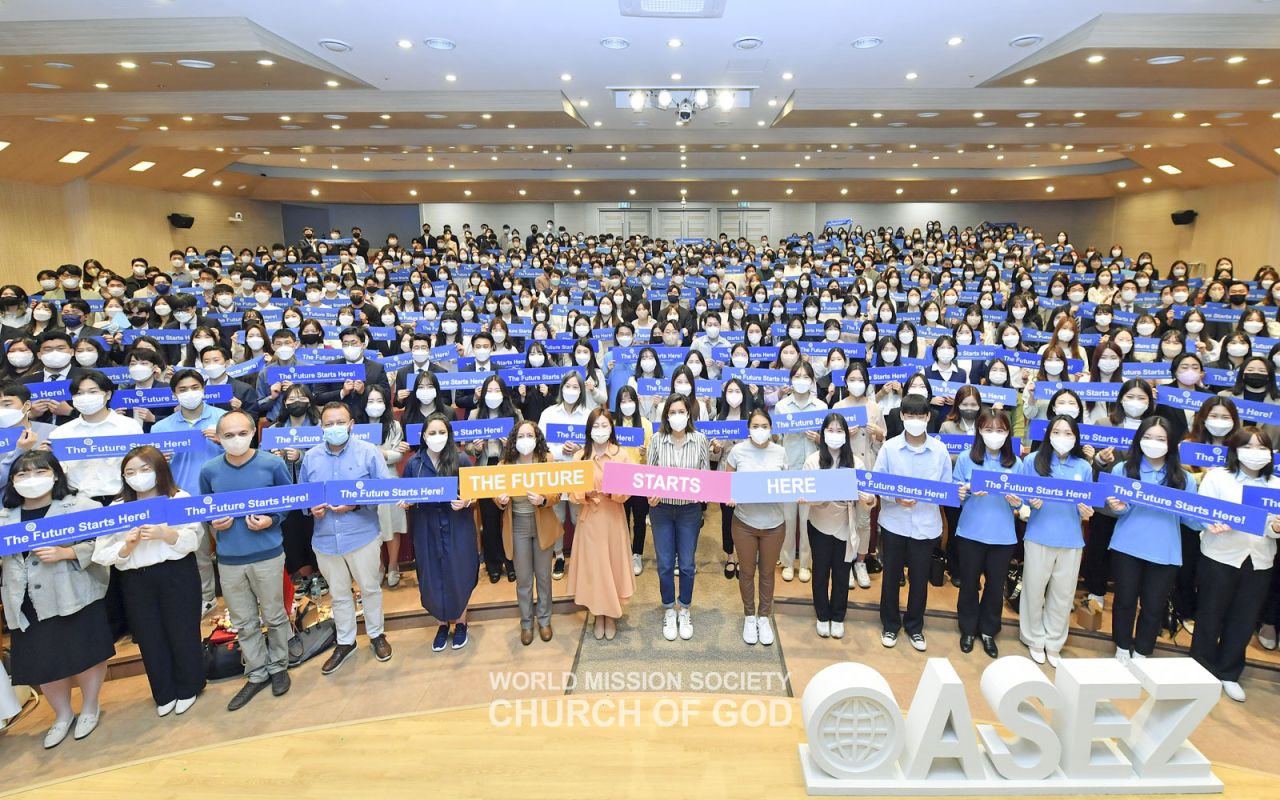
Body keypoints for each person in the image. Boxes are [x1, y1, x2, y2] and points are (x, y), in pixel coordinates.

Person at [0, 451, 112, 748]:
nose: (31, 480)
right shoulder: (3, 515)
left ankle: (90, 706)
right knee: (42, 660)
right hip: (23, 599)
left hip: (72, 593)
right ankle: (62, 715)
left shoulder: (81, 506)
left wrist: (68, 552)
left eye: (40, 472)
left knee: (84, 652)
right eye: (23, 475)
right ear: (12, 482)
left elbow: (104, 545)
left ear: (56, 475)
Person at [92, 447, 205, 716]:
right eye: (130, 472)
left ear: (159, 470)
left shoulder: (178, 498)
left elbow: (193, 540)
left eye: (144, 469)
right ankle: (163, 692)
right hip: (135, 579)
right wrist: (125, 547)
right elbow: (101, 553)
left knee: (182, 630)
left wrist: (166, 534)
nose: (137, 477)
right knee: (149, 636)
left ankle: (189, 686)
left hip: (176, 573)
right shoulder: (117, 508)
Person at [199, 411, 294, 710]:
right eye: (228, 435)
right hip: (229, 559)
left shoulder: (272, 463)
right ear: (218, 437)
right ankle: (256, 673)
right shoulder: (209, 470)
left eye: (242, 433)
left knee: (276, 615)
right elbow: (204, 509)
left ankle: (279, 666)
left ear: (254, 432)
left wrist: (272, 519)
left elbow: (290, 499)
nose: (236, 439)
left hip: (267, 554)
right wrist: (215, 523)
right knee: (243, 622)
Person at [299, 402, 393, 673]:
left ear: (351, 424)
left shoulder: (368, 452)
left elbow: (385, 488)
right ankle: (346, 641)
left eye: (340, 422)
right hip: (326, 539)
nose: (335, 428)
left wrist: (356, 503)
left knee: (370, 588)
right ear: (321, 428)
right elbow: (305, 495)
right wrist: (311, 508)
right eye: (329, 424)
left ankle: (376, 635)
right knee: (339, 595)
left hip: (361, 535)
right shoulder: (311, 457)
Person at [1191, 427, 1280, 702]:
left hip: (1259, 561)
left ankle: (1229, 673)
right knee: (1210, 615)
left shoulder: (1276, 485)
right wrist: (1211, 523)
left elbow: (1274, 527)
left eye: (1262, 448)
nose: (1256, 453)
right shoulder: (1218, 477)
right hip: (1220, 556)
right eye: (1249, 446)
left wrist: (1276, 527)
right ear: (1236, 449)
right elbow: (1201, 513)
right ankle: (1199, 671)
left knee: (1243, 619)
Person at [1103, 415, 1202, 663]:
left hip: (1165, 551)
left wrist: (1211, 521)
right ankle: (1122, 645)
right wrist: (1116, 506)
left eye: (1160, 438)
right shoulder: (1123, 470)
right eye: (1148, 437)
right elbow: (1119, 511)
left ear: (1171, 443)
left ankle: (1143, 649)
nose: (1153, 442)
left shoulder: (1184, 478)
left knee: (1154, 605)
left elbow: (1189, 520)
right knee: (1124, 600)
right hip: (1127, 546)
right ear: (1138, 440)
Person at [872, 393, 953, 652]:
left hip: (926, 525)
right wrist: (894, 497)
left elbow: (946, 487)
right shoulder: (890, 447)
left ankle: (915, 627)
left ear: (928, 417)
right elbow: (877, 481)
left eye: (920, 416)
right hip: (894, 523)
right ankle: (890, 625)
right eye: (910, 416)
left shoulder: (939, 450)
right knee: (891, 576)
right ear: (902, 417)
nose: (915, 420)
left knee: (919, 579)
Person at [1017, 416, 1094, 668]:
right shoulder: (1032, 461)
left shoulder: (1083, 466)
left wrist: (1087, 511)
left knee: (1063, 594)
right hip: (1039, 535)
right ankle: (1033, 637)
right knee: (1034, 590)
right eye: (1057, 431)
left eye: (1068, 433)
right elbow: (1021, 499)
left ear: (1076, 437)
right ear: (1048, 434)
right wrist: (1029, 504)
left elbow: (1089, 502)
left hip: (1071, 539)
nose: (1062, 437)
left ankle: (1054, 641)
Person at [149, 368, 225, 612]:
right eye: (182, 390)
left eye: (194, 388)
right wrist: (162, 459)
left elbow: (244, 453)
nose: (189, 393)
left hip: (221, 496)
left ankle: (240, 601)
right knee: (199, 556)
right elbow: (155, 471)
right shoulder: (161, 428)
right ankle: (207, 600)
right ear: (174, 394)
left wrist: (224, 441)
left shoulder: (223, 418)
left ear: (203, 389)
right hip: (184, 500)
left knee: (231, 552)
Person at [403, 414, 478, 652]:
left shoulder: (461, 459)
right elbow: (407, 495)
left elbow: (474, 494)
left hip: (457, 525)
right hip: (426, 527)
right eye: (432, 433)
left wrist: (466, 502)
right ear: (423, 436)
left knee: (460, 572)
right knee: (431, 575)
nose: (437, 437)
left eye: (442, 432)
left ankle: (462, 623)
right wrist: (406, 502)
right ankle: (442, 625)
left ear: (449, 434)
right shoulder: (414, 464)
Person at [951, 409, 1023, 658]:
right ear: (979, 431)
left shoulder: (1017, 463)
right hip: (971, 532)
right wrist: (964, 492)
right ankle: (968, 628)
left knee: (995, 587)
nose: (995, 434)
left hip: (1002, 536)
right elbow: (955, 494)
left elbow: (1021, 503)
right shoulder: (965, 458)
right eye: (989, 429)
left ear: (1008, 433)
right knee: (970, 583)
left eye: (1001, 430)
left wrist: (1016, 502)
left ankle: (989, 631)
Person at [801, 412, 876, 639]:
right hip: (819, 525)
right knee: (821, 572)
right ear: (823, 434)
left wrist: (868, 500)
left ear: (847, 434)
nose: (834, 435)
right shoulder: (813, 461)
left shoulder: (857, 463)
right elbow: (805, 496)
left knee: (842, 574)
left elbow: (869, 498)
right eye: (830, 431)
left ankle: (838, 616)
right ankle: (822, 615)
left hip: (846, 526)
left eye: (839, 431)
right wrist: (821, 498)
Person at [721, 408, 789, 646]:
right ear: (748, 429)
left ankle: (764, 617)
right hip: (744, 523)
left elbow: (788, 484)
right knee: (747, 572)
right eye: (755, 426)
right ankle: (750, 616)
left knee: (768, 573)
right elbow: (726, 484)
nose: (760, 431)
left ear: (771, 428)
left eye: (764, 426)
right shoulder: (737, 451)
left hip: (774, 524)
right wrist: (730, 495)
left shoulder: (780, 452)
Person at [646, 393, 711, 642]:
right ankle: (668, 609)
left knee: (686, 564)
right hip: (661, 510)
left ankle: (684, 609)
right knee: (664, 565)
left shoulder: (699, 440)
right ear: (665, 416)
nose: (676, 416)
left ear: (689, 414)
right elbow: (649, 475)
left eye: (681, 412)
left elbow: (705, 476)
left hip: (689, 511)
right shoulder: (656, 440)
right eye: (672, 413)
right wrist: (650, 495)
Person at [567, 408, 635, 640]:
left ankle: (611, 613)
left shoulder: (621, 455)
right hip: (590, 520)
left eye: (605, 426)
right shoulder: (579, 457)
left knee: (612, 565)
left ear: (612, 429)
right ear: (589, 430)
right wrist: (584, 493)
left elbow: (627, 492)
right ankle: (598, 614)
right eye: (596, 426)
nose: (600, 431)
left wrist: (613, 492)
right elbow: (572, 492)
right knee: (595, 568)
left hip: (613, 518)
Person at [495, 421, 562, 645]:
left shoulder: (547, 460)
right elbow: (495, 495)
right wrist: (501, 500)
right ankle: (526, 623)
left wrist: (543, 499)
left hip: (542, 522)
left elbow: (557, 493)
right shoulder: (504, 465)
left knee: (543, 576)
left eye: (529, 435)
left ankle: (544, 620)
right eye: (521, 435)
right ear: (514, 440)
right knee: (523, 579)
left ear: (537, 438)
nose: (525, 439)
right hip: (517, 526)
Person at [774, 361, 827, 582]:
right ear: (791, 380)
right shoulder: (782, 407)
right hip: (788, 468)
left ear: (812, 380)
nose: (801, 380)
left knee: (807, 520)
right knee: (788, 519)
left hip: (812, 470)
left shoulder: (821, 407)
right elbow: (776, 439)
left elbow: (830, 439)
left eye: (806, 377)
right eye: (797, 376)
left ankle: (805, 563)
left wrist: (818, 438)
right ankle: (787, 562)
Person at [537, 370, 591, 579]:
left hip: (580, 472)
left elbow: (596, 443)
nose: (571, 391)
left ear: (582, 390)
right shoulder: (549, 413)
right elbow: (540, 445)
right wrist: (560, 451)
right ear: (561, 389)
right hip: (556, 472)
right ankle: (558, 556)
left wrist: (579, 449)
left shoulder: (588, 414)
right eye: (567, 386)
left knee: (579, 518)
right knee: (557, 517)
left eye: (575, 387)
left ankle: (580, 557)